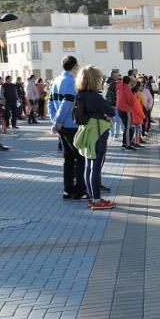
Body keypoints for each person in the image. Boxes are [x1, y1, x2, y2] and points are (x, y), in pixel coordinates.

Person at [72, 65, 116, 210]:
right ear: (95, 80)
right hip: (98, 133)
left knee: (89, 166)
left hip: (86, 133)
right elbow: (110, 111)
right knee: (96, 167)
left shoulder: (80, 95)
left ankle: (93, 197)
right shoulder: (95, 97)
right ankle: (97, 200)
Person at [50, 55, 86, 199]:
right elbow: (67, 104)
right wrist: (59, 121)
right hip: (71, 124)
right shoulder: (72, 82)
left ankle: (67, 189)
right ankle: (79, 190)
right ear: (75, 67)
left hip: (62, 127)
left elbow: (50, 102)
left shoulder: (56, 80)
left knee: (68, 159)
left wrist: (55, 121)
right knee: (79, 158)